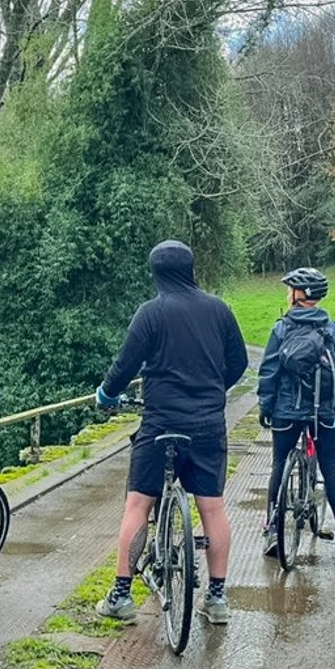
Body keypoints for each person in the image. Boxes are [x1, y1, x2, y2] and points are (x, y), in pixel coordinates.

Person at [94, 240, 248, 625]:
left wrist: (106, 394)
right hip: (208, 425)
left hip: (161, 422)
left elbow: (125, 364)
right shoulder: (219, 310)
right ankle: (216, 598)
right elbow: (240, 362)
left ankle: (121, 596)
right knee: (211, 507)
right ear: (191, 269)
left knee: (138, 506)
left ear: (156, 274)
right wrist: (213, 391)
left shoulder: (151, 313)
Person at [257, 267, 335, 556]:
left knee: (279, 464)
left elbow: (269, 372)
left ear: (298, 295)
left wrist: (266, 406)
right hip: (324, 412)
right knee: (330, 468)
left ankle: (270, 530)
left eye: (290, 288)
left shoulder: (281, 329)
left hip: (286, 411)